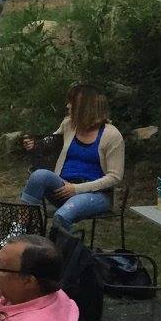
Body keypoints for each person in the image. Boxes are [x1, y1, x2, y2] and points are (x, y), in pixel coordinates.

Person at [18, 84, 124, 233]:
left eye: (72, 102)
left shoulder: (112, 135)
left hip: (96, 194)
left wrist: (76, 189)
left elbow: (115, 177)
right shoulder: (69, 125)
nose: (68, 106)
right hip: (63, 187)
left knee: (62, 216)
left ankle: (62, 246)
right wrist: (34, 144)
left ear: (86, 107)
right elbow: (49, 143)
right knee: (39, 175)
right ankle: (19, 231)